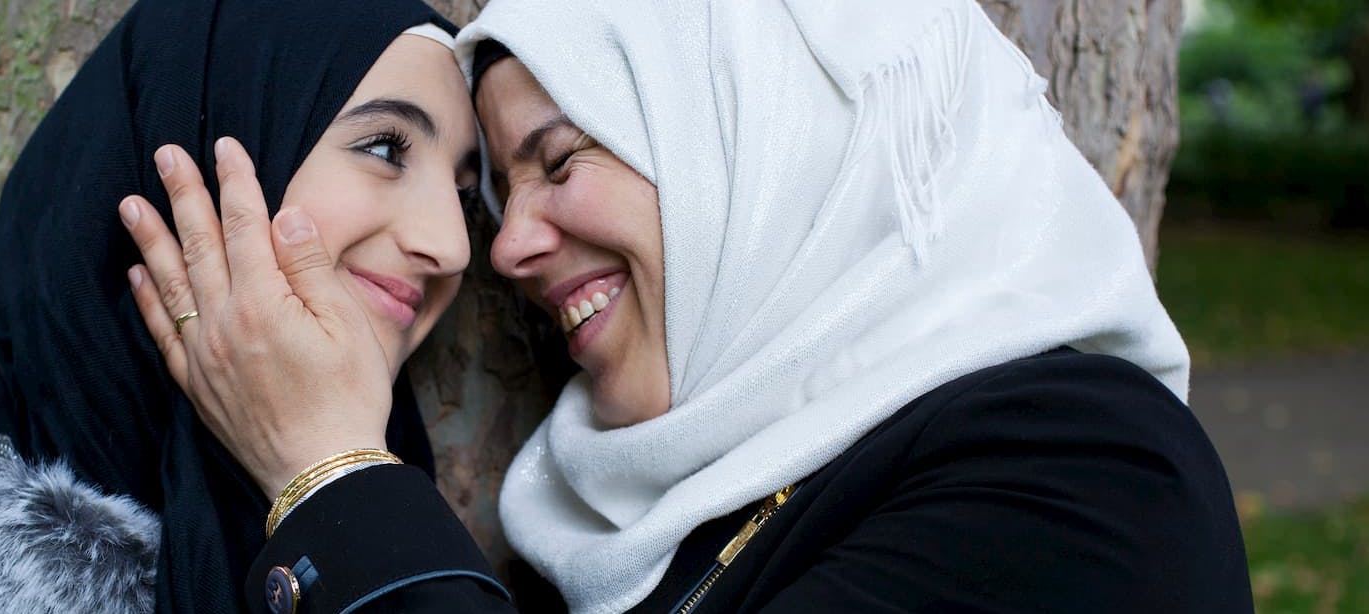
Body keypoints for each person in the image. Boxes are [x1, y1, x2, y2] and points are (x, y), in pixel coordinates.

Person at [119, 0, 1253, 612]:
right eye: (501, 192)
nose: (500, 244)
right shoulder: (702, 497)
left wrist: (331, 474)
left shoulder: (1084, 477)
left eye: (559, 161)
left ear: (773, 153)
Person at [0, 0, 480, 612]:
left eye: (467, 194)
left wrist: (333, 471)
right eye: (385, 147)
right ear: (204, 155)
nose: (452, 245)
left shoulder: (413, 505)